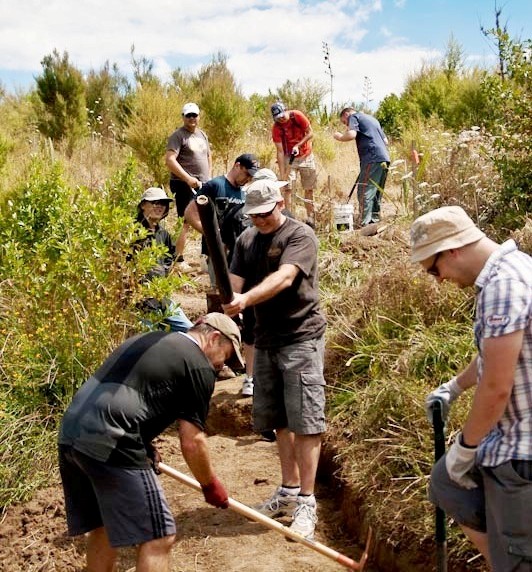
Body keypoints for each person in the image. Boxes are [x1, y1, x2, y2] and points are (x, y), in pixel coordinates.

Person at [58, 312, 244, 572]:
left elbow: (125, 392)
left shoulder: (149, 339)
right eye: (226, 356)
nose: (222, 366)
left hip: (71, 431)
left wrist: (143, 443)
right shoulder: (198, 366)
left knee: (103, 526)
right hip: (113, 438)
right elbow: (192, 442)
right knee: (158, 536)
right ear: (213, 338)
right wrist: (210, 485)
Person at [410, 205, 532, 571]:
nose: (438, 280)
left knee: (519, 558)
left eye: (434, 269)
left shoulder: (503, 286)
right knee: (446, 484)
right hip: (508, 442)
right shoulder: (513, 270)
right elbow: (496, 353)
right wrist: (455, 386)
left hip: (521, 454)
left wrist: (466, 448)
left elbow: (496, 386)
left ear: (451, 249)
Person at [223, 179, 327, 540]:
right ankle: (288, 490)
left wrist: (245, 301)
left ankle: (307, 502)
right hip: (266, 339)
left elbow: (284, 278)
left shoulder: (300, 236)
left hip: (301, 337)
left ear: (280, 204)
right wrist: (227, 299)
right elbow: (234, 280)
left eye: (265, 213)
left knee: (306, 420)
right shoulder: (246, 240)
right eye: (254, 215)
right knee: (279, 420)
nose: (260, 220)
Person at [134, 186, 192, 333]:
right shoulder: (133, 232)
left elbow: (174, 258)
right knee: (148, 339)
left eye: (163, 203)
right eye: (155, 203)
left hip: (162, 299)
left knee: (190, 330)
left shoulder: (163, 234)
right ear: (143, 205)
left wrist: (185, 227)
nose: (159, 206)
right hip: (141, 302)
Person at [165, 102, 212, 271]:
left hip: (203, 184)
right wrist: (187, 178)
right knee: (185, 221)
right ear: (183, 117)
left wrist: (209, 178)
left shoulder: (202, 135)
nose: (192, 118)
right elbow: (170, 160)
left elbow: (208, 157)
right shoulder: (178, 136)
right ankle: (178, 260)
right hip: (183, 184)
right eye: (188, 115)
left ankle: (206, 257)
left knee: (208, 219)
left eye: (194, 115)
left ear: (199, 116)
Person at [334, 107, 390, 227]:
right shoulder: (372, 119)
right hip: (384, 157)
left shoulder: (354, 117)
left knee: (364, 190)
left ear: (346, 114)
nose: (346, 125)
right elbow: (385, 141)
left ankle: (364, 223)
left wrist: (339, 137)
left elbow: (351, 134)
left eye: (344, 122)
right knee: (376, 191)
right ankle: (374, 220)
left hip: (372, 157)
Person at [271, 102, 317, 225]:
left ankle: (311, 219)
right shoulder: (276, 128)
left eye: (282, 115)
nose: (281, 119)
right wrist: (282, 175)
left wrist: (298, 145)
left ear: (285, 110)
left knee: (309, 189)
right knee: (288, 189)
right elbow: (280, 151)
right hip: (289, 158)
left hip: (306, 156)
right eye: (277, 118)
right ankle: (290, 221)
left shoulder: (297, 116)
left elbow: (310, 133)